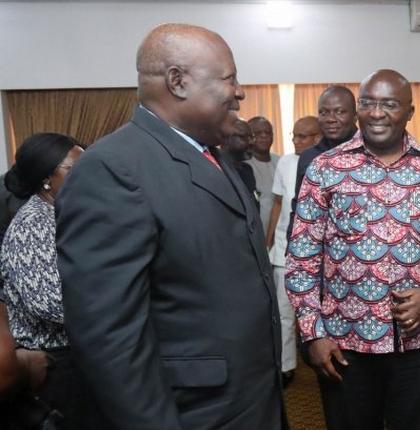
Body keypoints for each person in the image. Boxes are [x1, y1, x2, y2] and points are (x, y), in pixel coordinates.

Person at [55, 23, 283, 430]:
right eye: (230, 78)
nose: (240, 91)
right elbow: (110, 338)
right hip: (191, 412)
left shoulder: (211, 154)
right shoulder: (113, 169)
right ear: (177, 81)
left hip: (247, 400)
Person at [285, 69, 420, 430]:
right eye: (368, 103)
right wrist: (314, 332)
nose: (376, 113)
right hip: (343, 345)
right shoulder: (325, 168)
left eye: (389, 104)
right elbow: (301, 257)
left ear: (409, 111)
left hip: (419, 345)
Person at [0, 133, 101, 429]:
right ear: (47, 179)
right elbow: (50, 303)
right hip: (53, 365)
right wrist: (115, 307)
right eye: (75, 169)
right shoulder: (33, 225)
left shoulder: (62, 214)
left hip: (79, 354)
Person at [266, 115, 321, 388]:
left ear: (317, 138)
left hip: (317, 253)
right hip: (283, 251)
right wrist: (269, 245)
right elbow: (277, 204)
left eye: (302, 136)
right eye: (294, 135)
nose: (295, 141)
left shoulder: (326, 161)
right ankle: (286, 366)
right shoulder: (286, 162)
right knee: (283, 312)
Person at [286, 85, 358, 239]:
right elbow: (298, 207)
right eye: (323, 112)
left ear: (355, 116)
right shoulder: (309, 157)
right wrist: (291, 247)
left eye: (340, 112)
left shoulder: (370, 153)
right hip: (318, 251)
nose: (331, 119)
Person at [247, 116, 280, 230]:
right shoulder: (244, 166)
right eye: (258, 133)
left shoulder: (281, 162)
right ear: (249, 137)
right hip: (256, 231)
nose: (264, 136)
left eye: (268, 132)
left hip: (281, 232)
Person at [222, 119, 258, 200]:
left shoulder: (247, 170)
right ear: (225, 138)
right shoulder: (217, 170)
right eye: (243, 137)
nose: (252, 142)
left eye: (252, 137)